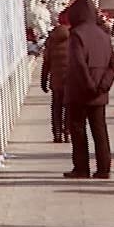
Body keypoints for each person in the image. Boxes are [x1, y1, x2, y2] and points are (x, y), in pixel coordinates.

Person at [56, 0, 114, 179]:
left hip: (79, 91)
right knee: (100, 130)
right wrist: (103, 85)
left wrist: (89, 85)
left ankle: (82, 167)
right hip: (99, 92)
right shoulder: (104, 34)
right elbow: (113, 64)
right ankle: (104, 168)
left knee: (78, 129)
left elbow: (78, 64)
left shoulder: (76, 34)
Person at [39, 9, 72, 143]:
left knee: (56, 106)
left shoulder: (51, 38)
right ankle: (67, 132)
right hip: (71, 80)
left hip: (56, 80)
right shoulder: (74, 37)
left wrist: (44, 79)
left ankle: (57, 133)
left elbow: (46, 61)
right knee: (70, 106)